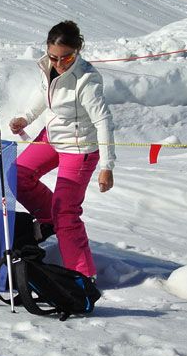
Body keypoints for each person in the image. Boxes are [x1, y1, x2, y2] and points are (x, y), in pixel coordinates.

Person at [9, 20, 115, 280]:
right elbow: (43, 94)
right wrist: (25, 118)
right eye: (53, 57)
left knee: (67, 212)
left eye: (65, 58)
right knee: (18, 174)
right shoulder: (48, 66)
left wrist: (107, 167)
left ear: (77, 51)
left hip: (80, 147)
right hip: (53, 136)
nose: (58, 63)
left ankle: (81, 277)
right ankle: (49, 221)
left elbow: (103, 121)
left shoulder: (87, 80)